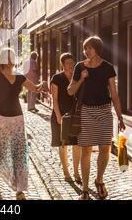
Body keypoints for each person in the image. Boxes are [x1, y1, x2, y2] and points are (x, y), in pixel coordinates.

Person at [0, 48, 43, 200]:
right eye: (5, 58)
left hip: (17, 118)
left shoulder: (20, 77)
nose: (8, 61)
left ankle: (20, 189)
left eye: (10, 57)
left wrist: (44, 85)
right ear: (1, 60)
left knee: (19, 152)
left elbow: (34, 88)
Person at [68, 36, 126, 200]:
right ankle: (85, 189)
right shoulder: (80, 67)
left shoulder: (108, 67)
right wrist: (81, 79)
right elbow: (70, 91)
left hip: (104, 112)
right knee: (86, 149)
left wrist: (120, 117)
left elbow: (114, 94)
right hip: (86, 111)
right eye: (85, 48)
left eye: (90, 48)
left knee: (105, 148)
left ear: (98, 49)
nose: (87, 51)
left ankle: (99, 180)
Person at [50, 53, 82, 183]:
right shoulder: (57, 78)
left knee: (77, 144)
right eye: (68, 63)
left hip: (75, 116)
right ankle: (66, 172)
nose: (71, 65)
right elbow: (55, 99)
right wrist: (58, 116)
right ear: (62, 64)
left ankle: (76, 171)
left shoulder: (77, 77)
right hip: (61, 114)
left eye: (72, 62)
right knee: (63, 144)